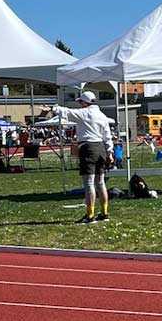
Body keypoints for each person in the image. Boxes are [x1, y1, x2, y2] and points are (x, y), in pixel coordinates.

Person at [51, 91, 114, 224]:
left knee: (89, 183)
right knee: (100, 182)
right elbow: (107, 136)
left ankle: (90, 215)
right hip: (101, 148)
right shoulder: (102, 115)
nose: (79, 104)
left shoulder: (84, 113)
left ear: (85, 102)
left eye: (80, 102)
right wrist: (110, 152)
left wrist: (54, 108)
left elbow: (67, 112)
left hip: (88, 147)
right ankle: (104, 213)